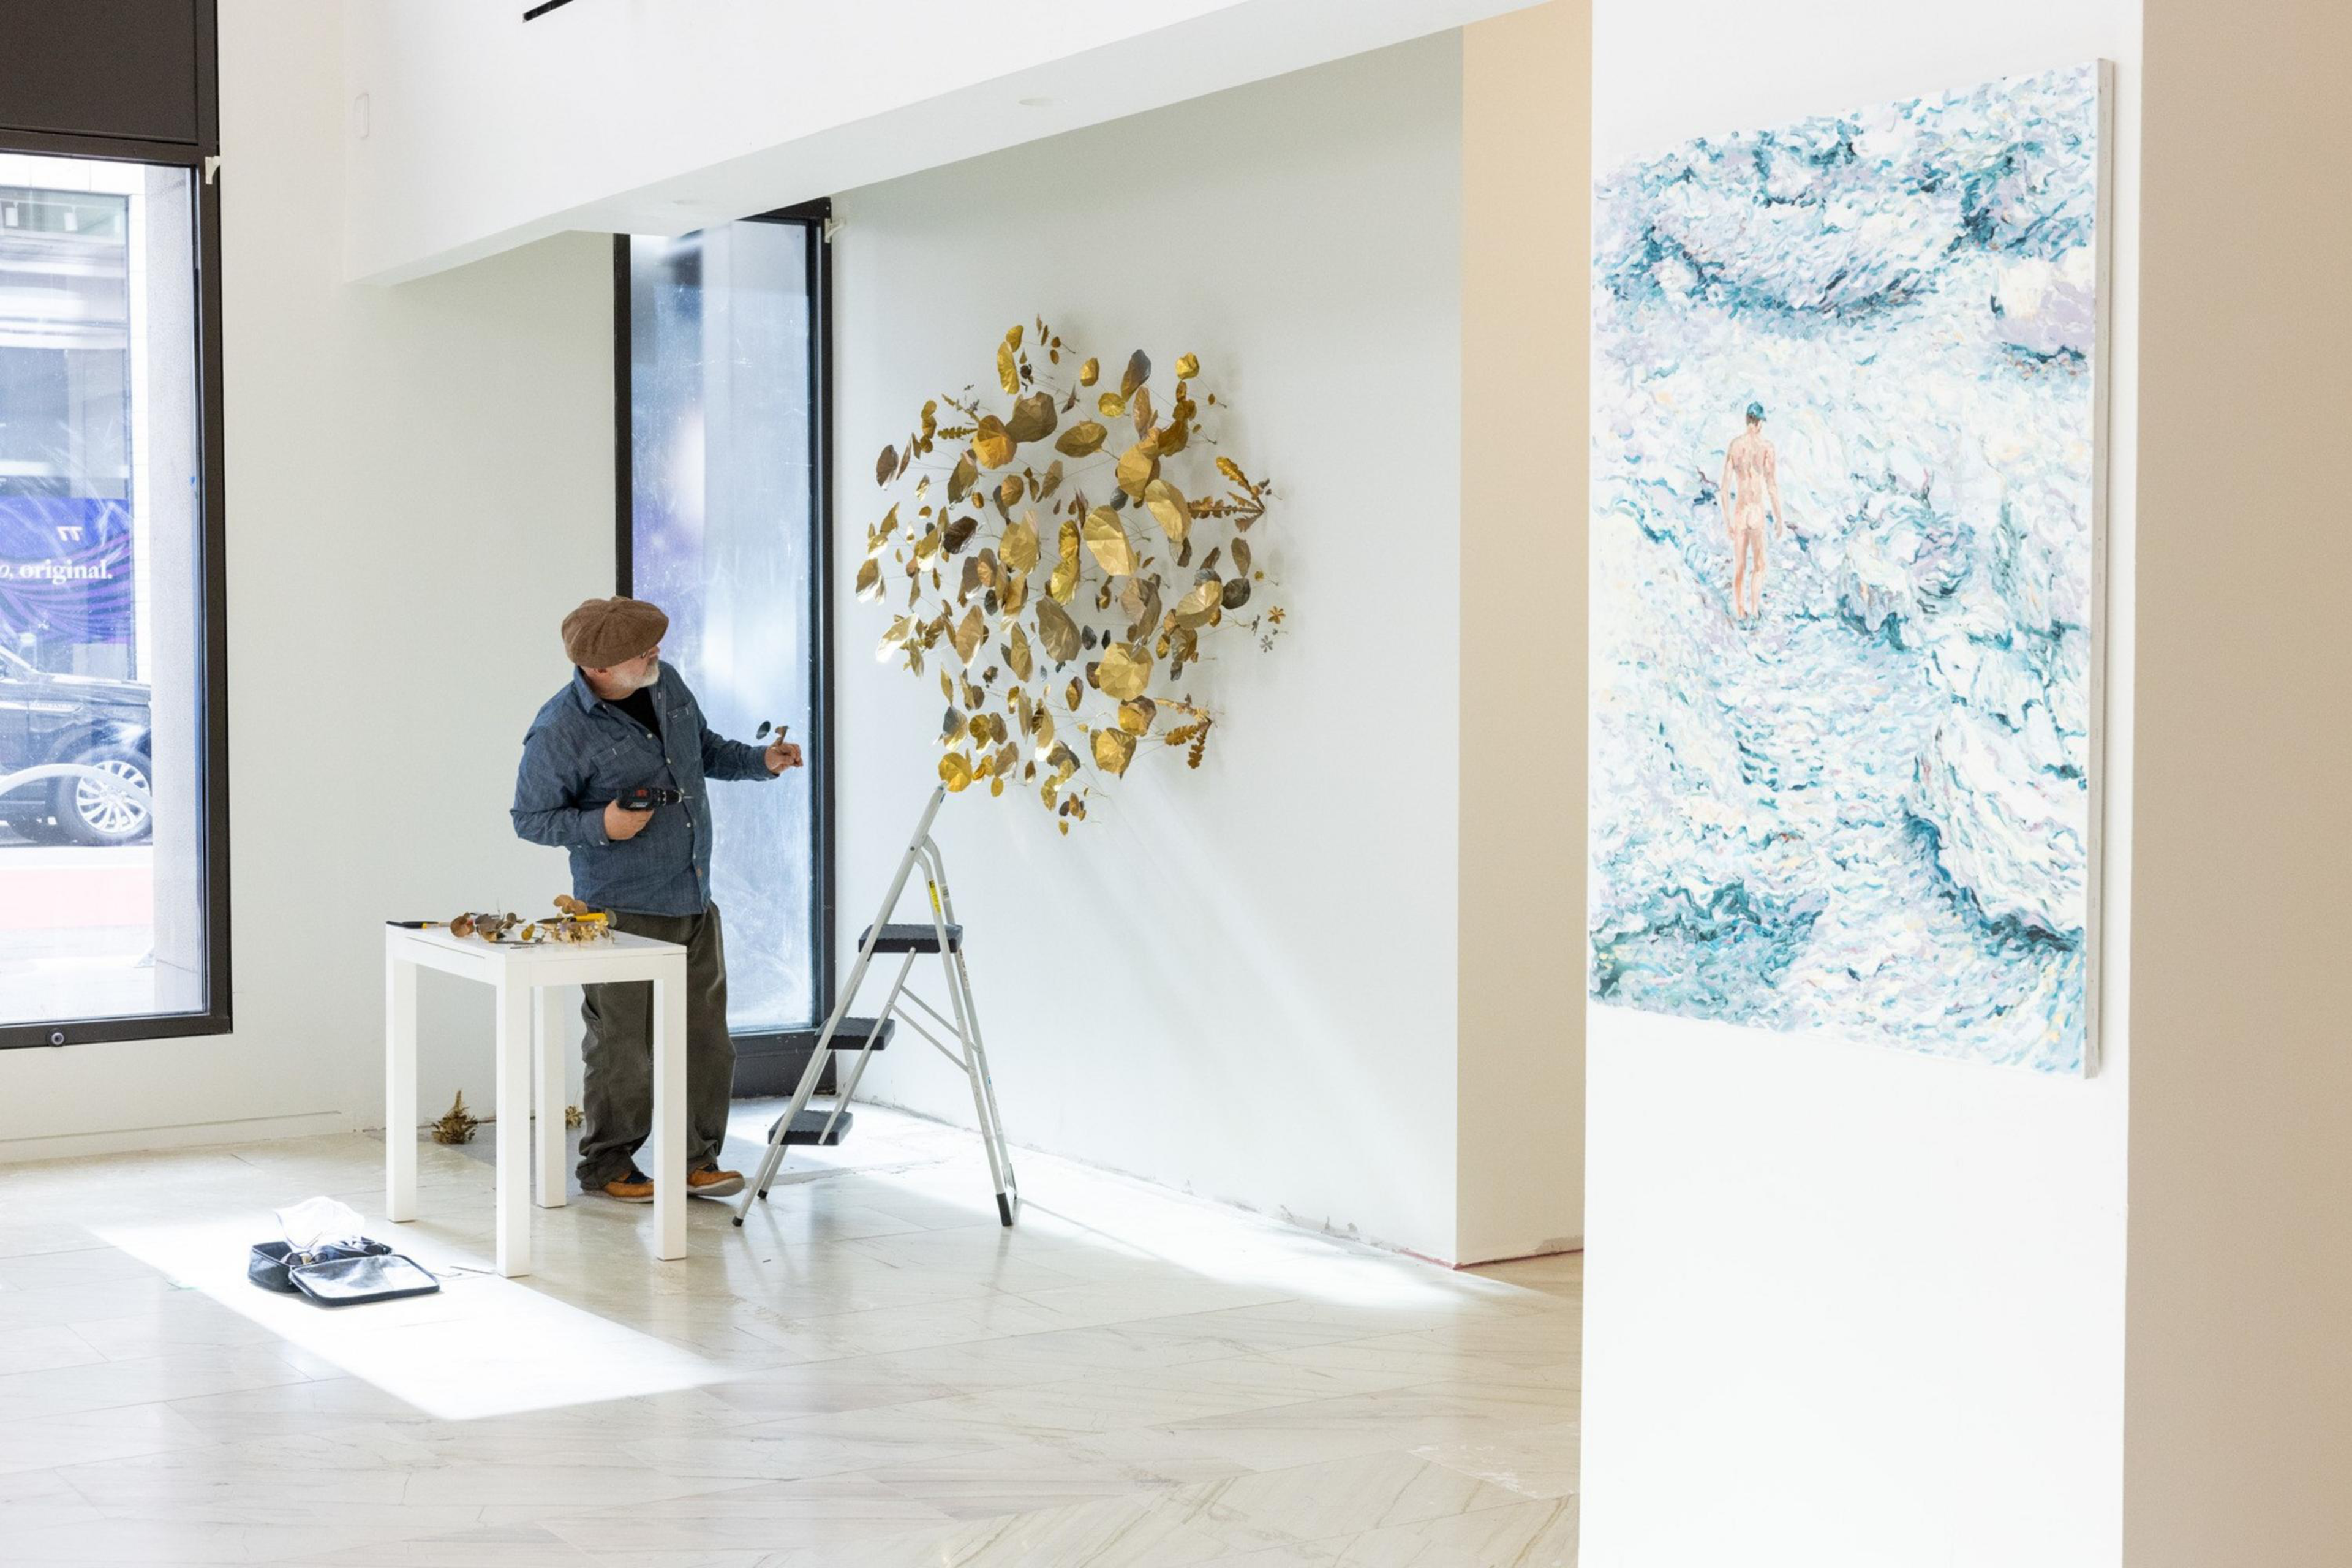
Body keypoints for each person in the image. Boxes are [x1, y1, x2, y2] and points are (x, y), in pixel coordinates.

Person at [511, 596, 803, 1203]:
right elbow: (531, 818)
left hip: (694, 897)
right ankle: (608, 1165)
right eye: (642, 649)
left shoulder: (664, 684)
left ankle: (696, 1160)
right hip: (619, 909)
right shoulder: (561, 728)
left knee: (706, 1041)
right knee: (624, 1046)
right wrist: (604, 825)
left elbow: (707, 751)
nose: (656, 653)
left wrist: (762, 763)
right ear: (599, 666)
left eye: (654, 645)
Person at [1719, 401, 1785, 620]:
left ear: (1747, 420)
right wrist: (1778, 517)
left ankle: (1740, 611)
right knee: (1759, 565)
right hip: (1756, 512)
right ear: (1758, 423)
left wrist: (1727, 521)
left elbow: (1725, 487)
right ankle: (1755, 610)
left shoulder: (1735, 446)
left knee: (1739, 566)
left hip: (1740, 512)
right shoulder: (1767, 448)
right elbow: (1771, 485)